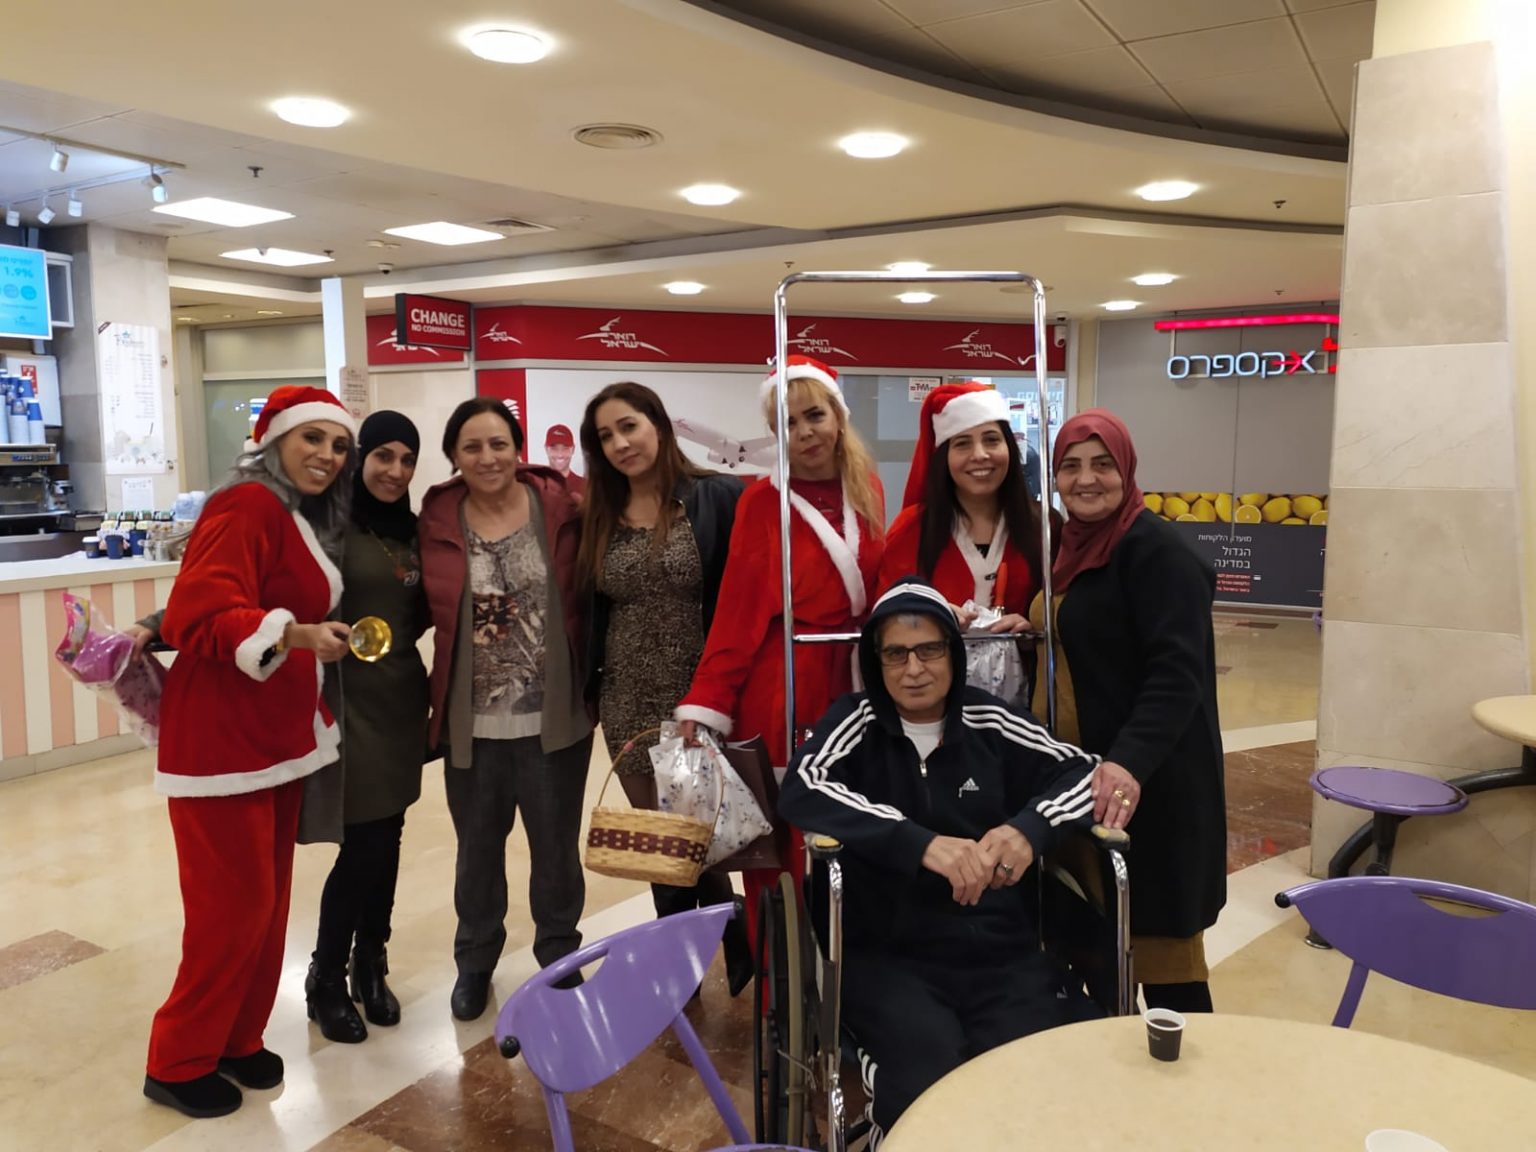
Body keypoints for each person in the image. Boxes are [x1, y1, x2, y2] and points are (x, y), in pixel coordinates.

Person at [778, 578, 1106, 1140]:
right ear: (875, 661)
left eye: (929, 649)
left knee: (1039, 1075)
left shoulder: (992, 721)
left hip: (998, 950)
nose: (914, 670)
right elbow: (802, 786)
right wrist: (919, 843)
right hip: (889, 954)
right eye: (896, 654)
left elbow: (1085, 772)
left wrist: (1027, 830)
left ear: (953, 653)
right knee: (926, 1086)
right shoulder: (854, 723)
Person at [143, 385, 357, 1119]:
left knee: (264, 907)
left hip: (273, 740)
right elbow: (197, 612)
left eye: (338, 444)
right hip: (222, 745)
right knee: (229, 912)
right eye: (312, 438)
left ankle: (236, 1039)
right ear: (273, 440)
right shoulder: (247, 505)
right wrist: (294, 634)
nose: (327, 455)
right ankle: (177, 1060)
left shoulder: (291, 513)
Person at [676, 355, 885, 938]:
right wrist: (708, 700)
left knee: (853, 832)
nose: (804, 433)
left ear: (839, 416)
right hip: (783, 684)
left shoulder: (867, 489)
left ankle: (848, 964)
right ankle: (778, 973)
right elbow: (737, 612)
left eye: (814, 415)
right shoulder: (763, 501)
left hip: (854, 681)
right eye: (787, 424)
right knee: (780, 849)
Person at [1030, 407, 1226, 1014]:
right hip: (1090, 782)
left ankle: (1185, 1068)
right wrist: (1031, 627)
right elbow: (1088, 633)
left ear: (1127, 469)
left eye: (1102, 464)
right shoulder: (1072, 547)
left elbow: (1177, 676)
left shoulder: (1156, 552)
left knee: (1165, 964)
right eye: (1070, 466)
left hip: (1150, 787)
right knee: (1104, 948)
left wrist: (1129, 763)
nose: (1086, 479)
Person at [419, 397, 594, 1022]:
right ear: (453, 456)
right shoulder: (436, 520)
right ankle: (475, 961)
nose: (487, 457)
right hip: (471, 725)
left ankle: (559, 953)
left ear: (518, 448)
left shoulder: (563, 509)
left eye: (498, 443)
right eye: (472, 446)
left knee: (556, 851)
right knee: (476, 853)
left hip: (555, 721)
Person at [577, 381, 753, 996]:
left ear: (657, 424)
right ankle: (680, 968)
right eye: (606, 436)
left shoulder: (716, 497)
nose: (620, 443)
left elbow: (744, 593)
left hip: (697, 696)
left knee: (703, 836)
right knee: (661, 842)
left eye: (629, 426)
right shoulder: (598, 515)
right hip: (627, 696)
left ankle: (730, 934)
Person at [300, 411, 431, 1044]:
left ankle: (371, 962)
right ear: (360, 460)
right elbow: (272, 590)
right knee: (364, 845)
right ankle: (326, 975)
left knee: (388, 835)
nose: (395, 471)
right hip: (346, 703)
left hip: (400, 700)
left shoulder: (414, 531)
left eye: (407, 460)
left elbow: (423, 610)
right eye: (383, 456)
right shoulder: (327, 526)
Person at [880, 382, 1049, 707]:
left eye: (992, 439)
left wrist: (1032, 632)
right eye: (962, 443)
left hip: (1021, 707)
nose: (980, 455)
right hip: (929, 704)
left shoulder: (1044, 527)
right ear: (943, 455)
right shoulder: (911, 530)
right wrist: (930, 618)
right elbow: (884, 621)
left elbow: (1062, 619)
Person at [544, 423, 584, 494]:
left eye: (565, 448)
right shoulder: (536, 485)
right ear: (546, 449)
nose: (560, 455)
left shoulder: (585, 486)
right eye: (554, 448)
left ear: (573, 449)